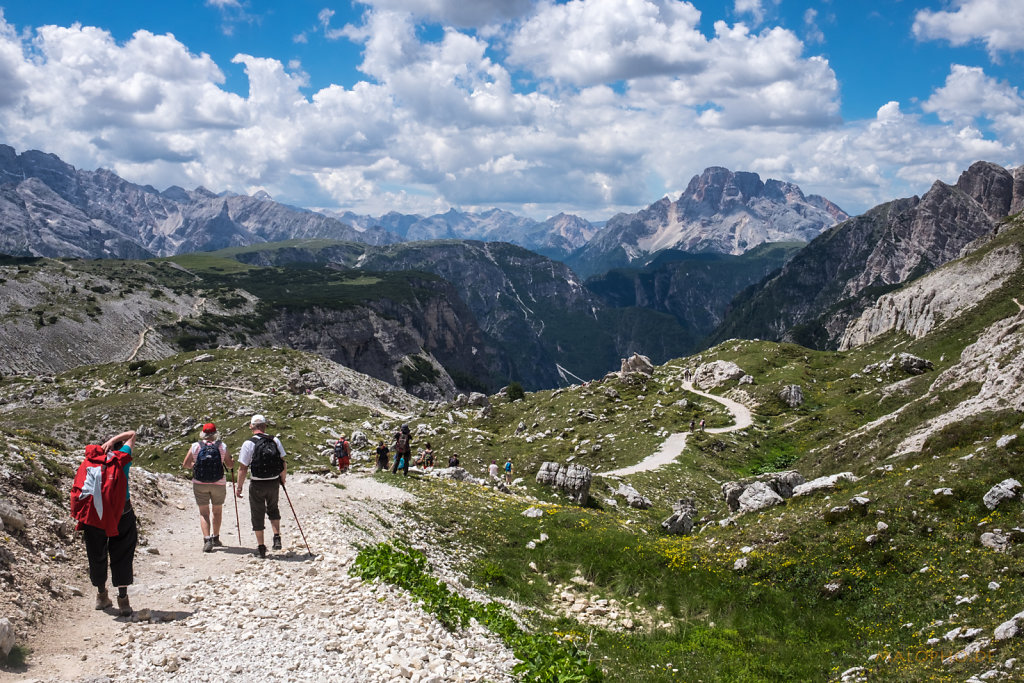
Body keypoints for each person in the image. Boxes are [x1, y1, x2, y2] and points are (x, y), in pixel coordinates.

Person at [73, 430, 138, 617]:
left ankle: (101, 596)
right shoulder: (122, 458)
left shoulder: (90, 461)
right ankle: (123, 600)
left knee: (96, 554)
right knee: (123, 553)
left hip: (94, 516)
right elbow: (132, 434)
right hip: (122, 514)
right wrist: (114, 440)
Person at [235, 414, 286, 558]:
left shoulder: (248, 443)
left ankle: (261, 547)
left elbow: (243, 468)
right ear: (265, 426)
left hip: (257, 483)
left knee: (257, 513)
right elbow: (283, 462)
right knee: (273, 508)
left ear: (252, 426)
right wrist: (282, 479)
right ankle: (277, 537)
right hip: (273, 481)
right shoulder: (274, 440)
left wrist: (239, 487)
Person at [182, 422, 234, 553]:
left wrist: (195, 465)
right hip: (219, 483)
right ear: (215, 433)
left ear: (203, 434)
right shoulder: (222, 446)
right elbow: (230, 465)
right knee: (217, 511)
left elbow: (186, 464)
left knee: (204, 512)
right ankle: (216, 537)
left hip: (200, 483)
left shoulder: (195, 446)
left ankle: (207, 539)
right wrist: (231, 460)